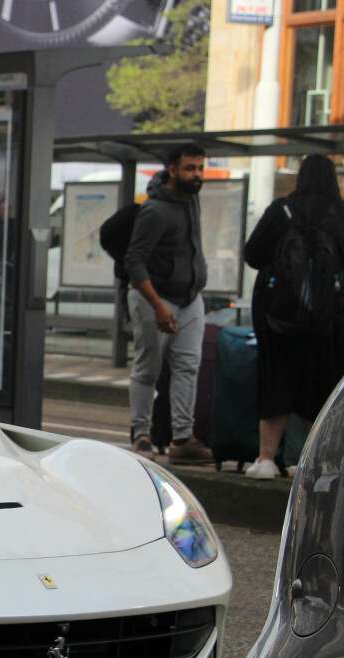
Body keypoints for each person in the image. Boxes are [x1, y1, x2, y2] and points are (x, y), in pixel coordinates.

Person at [242, 153, 344, 479]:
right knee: (323, 385)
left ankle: (267, 460)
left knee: (276, 382)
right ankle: (316, 463)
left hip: (277, 318)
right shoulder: (341, 213)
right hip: (327, 321)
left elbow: (253, 254)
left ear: (301, 176)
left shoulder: (281, 210)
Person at [123, 143, 213, 464]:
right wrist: (158, 305)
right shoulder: (155, 209)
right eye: (190, 168)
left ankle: (182, 438)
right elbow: (134, 262)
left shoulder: (192, 201)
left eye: (200, 168)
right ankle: (142, 434)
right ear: (172, 170)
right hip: (154, 297)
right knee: (148, 367)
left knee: (188, 366)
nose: (197, 175)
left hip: (190, 298)